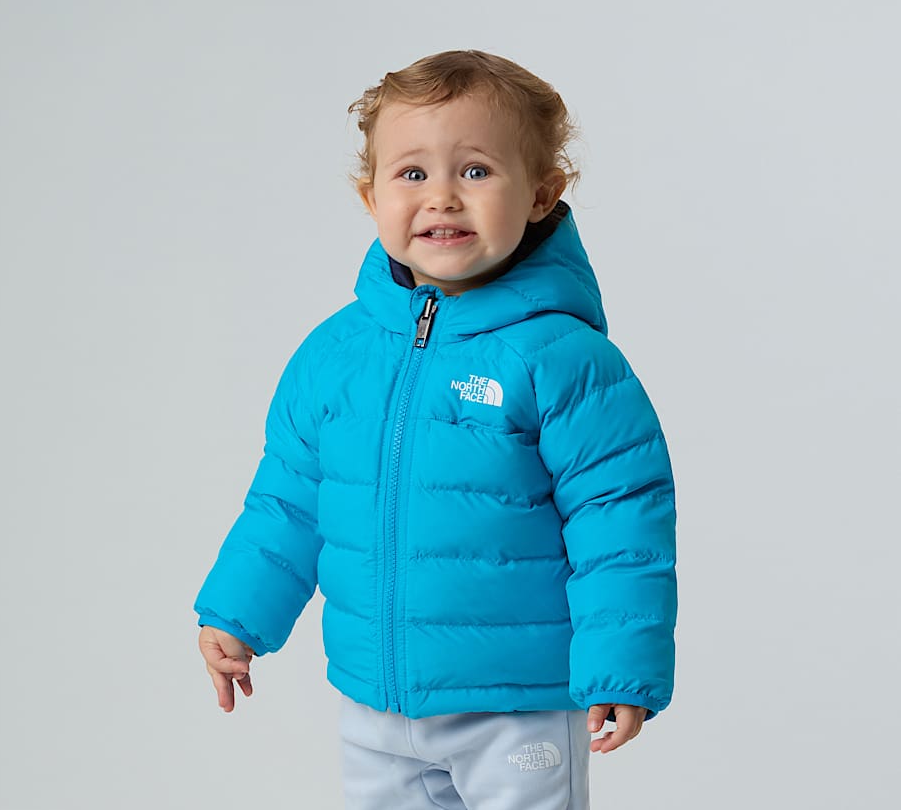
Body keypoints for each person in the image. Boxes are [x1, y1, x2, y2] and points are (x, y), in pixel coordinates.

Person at [194, 49, 677, 809]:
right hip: (374, 702)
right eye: (412, 173)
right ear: (371, 196)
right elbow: (288, 499)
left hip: (516, 704)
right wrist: (238, 611)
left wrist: (620, 664)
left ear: (542, 194)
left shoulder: (564, 360)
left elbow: (621, 520)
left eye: (476, 171)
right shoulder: (335, 355)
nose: (442, 197)